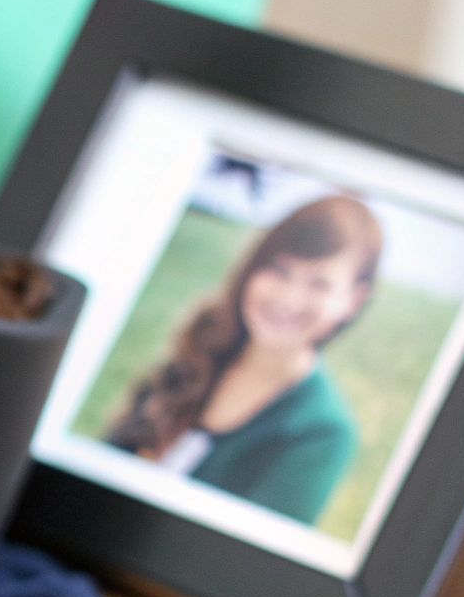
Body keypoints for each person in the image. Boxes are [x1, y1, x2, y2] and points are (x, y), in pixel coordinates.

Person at [106, 196, 383, 526]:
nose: (289, 298)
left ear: (353, 301)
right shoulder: (200, 352)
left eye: (318, 283)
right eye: (280, 271)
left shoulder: (323, 432)